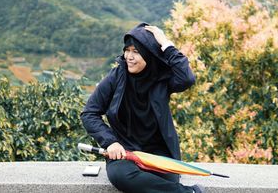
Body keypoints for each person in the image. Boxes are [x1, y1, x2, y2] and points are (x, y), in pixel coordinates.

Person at [81, 23, 205, 193]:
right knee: (121, 176)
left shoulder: (162, 78)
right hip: (125, 153)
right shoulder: (115, 77)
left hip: (159, 154)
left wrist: (165, 43)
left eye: (136, 51)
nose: (129, 57)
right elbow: (89, 113)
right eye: (127, 50)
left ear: (148, 54)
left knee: (162, 181)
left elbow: (186, 78)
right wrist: (111, 142)